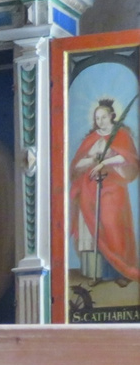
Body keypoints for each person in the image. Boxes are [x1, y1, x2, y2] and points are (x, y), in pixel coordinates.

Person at [70, 96, 140, 284]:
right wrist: (93, 160)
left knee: (114, 227)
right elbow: (76, 166)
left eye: (103, 117)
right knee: (95, 230)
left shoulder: (121, 135)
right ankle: (98, 273)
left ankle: (121, 273)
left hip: (113, 190)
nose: (99, 121)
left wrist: (105, 162)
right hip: (91, 190)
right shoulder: (92, 139)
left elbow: (129, 159)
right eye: (97, 118)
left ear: (111, 116)